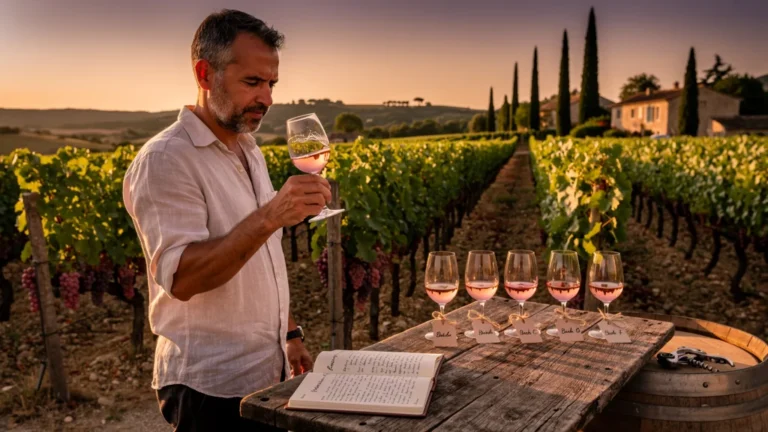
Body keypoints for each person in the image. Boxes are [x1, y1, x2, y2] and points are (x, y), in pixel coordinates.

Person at [122, 9, 330, 431]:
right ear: (204, 74)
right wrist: (272, 216)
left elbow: (262, 254)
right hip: (210, 389)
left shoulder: (248, 147)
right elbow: (182, 278)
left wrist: (289, 336)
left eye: (271, 83)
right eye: (252, 82)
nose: (267, 98)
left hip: (264, 372)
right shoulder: (166, 160)